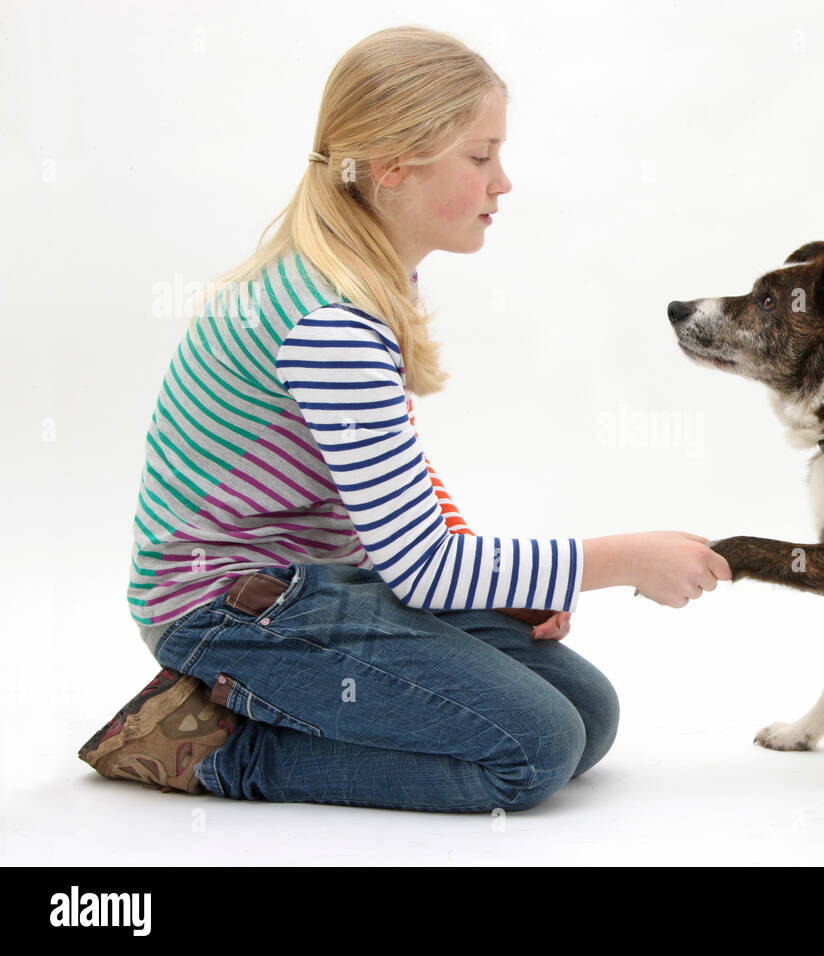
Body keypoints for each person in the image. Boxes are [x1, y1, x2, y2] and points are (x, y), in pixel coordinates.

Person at [78, 25, 730, 814]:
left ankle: (284, 702)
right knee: (533, 751)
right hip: (226, 608)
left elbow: (395, 477)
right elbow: (423, 566)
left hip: (319, 581)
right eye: (481, 156)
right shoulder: (330, 323)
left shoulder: (367, 276)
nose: (504, 182)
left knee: (587, 714)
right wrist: (623, 561)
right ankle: (219, 750)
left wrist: (511, 585)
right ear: (392, 167)